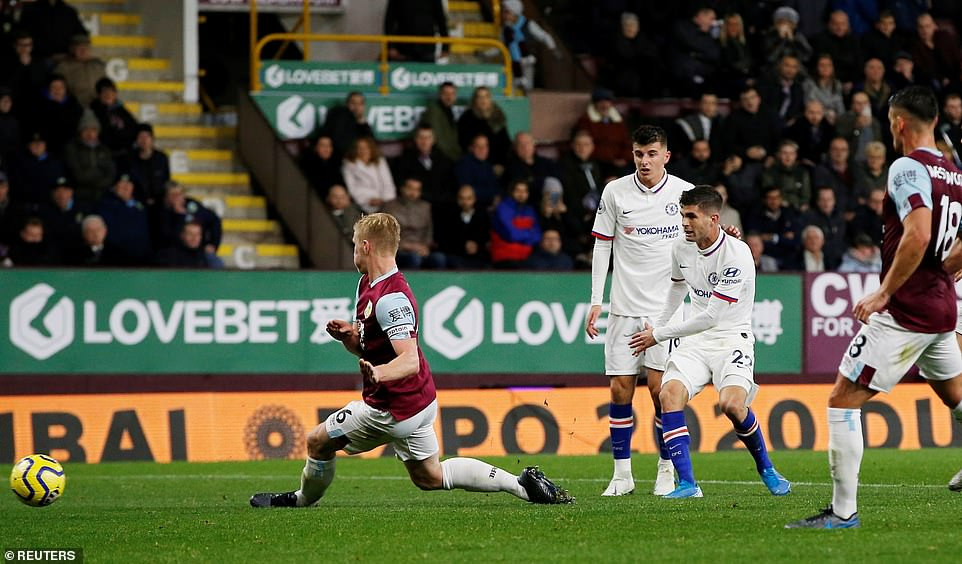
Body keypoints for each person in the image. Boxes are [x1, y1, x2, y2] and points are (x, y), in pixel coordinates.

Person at [249, 213, 573, 508]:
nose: (353, 254)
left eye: (354, 246)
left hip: (391, 409)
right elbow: (369, 349)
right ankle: (521, 485)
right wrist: (351, 337)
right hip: (419, 401)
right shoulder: (368, 285)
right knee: (430, 477)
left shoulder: (391, 298)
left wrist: (379, 373)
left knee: (317, 442)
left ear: (365, 246)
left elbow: (409, 360)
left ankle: (302, 499)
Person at [787, 86, 962, 529]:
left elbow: (918, 233)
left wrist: (884, 293)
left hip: (908, 311)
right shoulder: (953, 172)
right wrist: (949, 267)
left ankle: (843, 513)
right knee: (955, 395)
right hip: (941, 305)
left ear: (899, 123)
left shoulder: (907, 166)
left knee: (842, 400)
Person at [627, 186, 791, 499]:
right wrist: (659, 326)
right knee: (669, 395)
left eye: (692, 216)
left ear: (713, 218)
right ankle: (688, 484)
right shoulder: (681, 248)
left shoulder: (737, 254)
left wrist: (658, 335)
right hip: (696, 342)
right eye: (682, 215)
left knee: (731, 405)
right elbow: (677, 290)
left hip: (732, 339)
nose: (684, 223)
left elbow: (713, 316)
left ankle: (766, 467)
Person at [586, 125, 694, 497]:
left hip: (667, 310)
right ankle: (622, 475)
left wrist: (726, 237)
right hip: (624, 308)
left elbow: (702, 241)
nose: (644, 161)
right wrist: (595, 300)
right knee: (619, 390)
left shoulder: (683, 193)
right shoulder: (615, 192)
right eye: (638, 154)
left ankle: (666, 469)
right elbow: (602, 246)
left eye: (651, 154)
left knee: (659, 391)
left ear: (666, 155)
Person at [382, 177, 445, 269]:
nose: (413, 193)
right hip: (398, 250)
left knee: (439, 258)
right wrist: (408, 246)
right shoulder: (390, 207)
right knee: (414, 258)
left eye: (417, 190)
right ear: (402, 189)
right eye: (410, 188)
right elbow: (385, 236)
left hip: (421, 249)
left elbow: (429, 231)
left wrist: (425, 247)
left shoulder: (425, 207)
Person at [573, 88, 631, 176]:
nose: (604, 105)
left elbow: (626, 142)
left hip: (619, 161)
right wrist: (610, 160)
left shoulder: (619, 121)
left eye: (607, 101)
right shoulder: (585, 121)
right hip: (598, 162)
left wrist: (623, 158)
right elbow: (586, 146)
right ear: (595, 104)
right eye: (601, 102)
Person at [489, 179, 541, 269]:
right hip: (505, 258)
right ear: (511, 192)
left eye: (524, 191)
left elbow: (538, 236)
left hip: (526, 258)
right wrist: (529, 234)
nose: (521, 194)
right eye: (518, 190)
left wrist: (521, 234)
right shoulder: (503, 208)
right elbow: (511, 235)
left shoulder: (530, 210)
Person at [457, 87, 511, 168]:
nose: (483, 100)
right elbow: (463, 144)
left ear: (490, 99)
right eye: (480, 97)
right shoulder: (466, 118)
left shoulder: (498, 116)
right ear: (475, 100)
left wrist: (501, 163)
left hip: (498, 163)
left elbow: (505, 143)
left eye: (486, 96)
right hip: (474, 164)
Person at [342, 137, 396, 214]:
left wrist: (385, 199)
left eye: (366, 147)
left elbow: (388, 182)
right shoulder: (348, 165)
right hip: (363, 204)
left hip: (385, 202)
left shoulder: (380, 161)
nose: (363, 150)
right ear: (354, 150)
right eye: (359, 148)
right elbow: (352, 188)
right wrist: (368, 201)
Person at [383, 0, 448, 63]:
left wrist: (445, 47)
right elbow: (389, 21)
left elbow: (441, 20)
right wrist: (390, 47)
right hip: (403, 48)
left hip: (427, 48)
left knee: (425, 70)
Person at [53, 34, 107, 108]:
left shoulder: (97, 66)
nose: (83, 51)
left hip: (99, 106)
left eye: (86, 47)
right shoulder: (63, 67)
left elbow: (106, 86)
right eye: (79, 48)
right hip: (77, 107)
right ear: (72, 49)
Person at [323, 92, 374, 156]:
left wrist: (362, 123)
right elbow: (339, 144)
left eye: (360, 104)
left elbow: (371, 145)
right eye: (353, 103)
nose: (356, 107)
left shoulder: (363, 124)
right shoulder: (339, 116)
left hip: (357, 159)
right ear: (347, 104)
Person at [420, 82, 461, 161]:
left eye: (452, 94)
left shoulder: (448, 111)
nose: (449, 97)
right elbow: (439, 141)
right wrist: (456, 157)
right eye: (445, 93)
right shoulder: (434, 112)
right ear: (440, 95)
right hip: (440, 158)